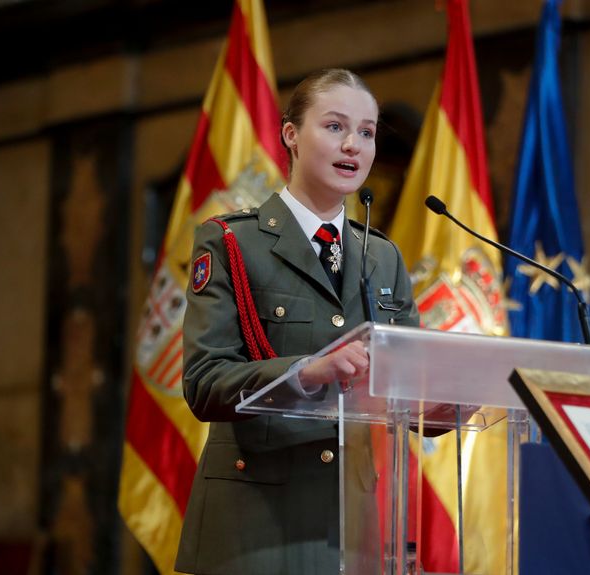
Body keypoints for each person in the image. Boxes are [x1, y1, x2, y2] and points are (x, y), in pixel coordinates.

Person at [175, 68, 420, 574]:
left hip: (350, 531)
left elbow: (410, 383)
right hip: (254, 528)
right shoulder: (231, 242)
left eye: (367, 132)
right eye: (334, 127)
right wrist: (307, 371)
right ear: (291, 134)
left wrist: (444, 394)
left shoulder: (384, 257)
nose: (353, 145)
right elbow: (204, 383)